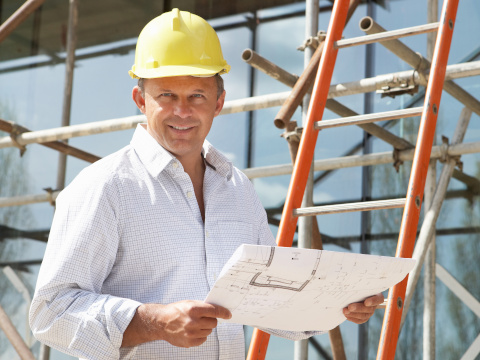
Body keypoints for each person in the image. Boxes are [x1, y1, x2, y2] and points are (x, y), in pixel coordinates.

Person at [29, 8, 384, 360]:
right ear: (141, 101)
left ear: (219, 102)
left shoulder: (238, 189)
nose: (182, 111)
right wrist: (155, 323)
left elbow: (269, 299)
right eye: (166, 95)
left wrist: (338, 304)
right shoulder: (105, 186)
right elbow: (51, 313)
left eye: (196, 95)